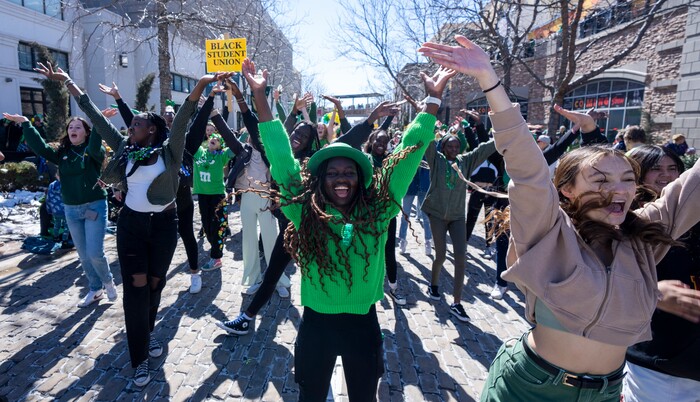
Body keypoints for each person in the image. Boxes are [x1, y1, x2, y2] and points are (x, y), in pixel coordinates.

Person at [418, 35, 700, 401]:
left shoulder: (644, 233)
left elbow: (691, 187)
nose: (619, 190)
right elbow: (526, 166)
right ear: (566, 190)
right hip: (530, 387)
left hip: (607, 392)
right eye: (600, 180)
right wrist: (489, 79)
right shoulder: (548, 230)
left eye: (628, 180)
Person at [232, 57, 452, 401]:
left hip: (363, 326)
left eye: (348, 171)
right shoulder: (303, 211)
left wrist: (432, 103)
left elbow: (407, 157)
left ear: (360, 177)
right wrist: (260, 96)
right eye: (332, 173)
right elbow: (280, 155)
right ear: (320, 179)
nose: (341, 179)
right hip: (316, 326)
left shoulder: (378, 211)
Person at [36, 62, 227, 387]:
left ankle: (147, 331)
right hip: (132, 228)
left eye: (135, 124)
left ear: (151, 129)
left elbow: (183, 117)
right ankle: (138, 356)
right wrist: (68, 82)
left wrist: (202, 86)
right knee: (135, 288)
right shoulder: (125, 149)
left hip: (165, 226)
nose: (129, 128)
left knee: (155, 285)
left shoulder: (170, 150)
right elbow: (95, 117)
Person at [3, 110, 116, 308]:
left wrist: (98, 122)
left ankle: (107, 281)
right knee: (83, 253)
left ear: (86, 133)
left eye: (78, 127)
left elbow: (96, 142)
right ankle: (95, 288)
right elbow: (40, 147)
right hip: (71, 210)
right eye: (70, 127)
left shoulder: (93, 152)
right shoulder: (62, 154)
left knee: (95, 252)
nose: (73, 129)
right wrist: (25, 124)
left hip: (94, 206)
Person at [98, 81, 202, 294]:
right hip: (147, 211)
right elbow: (132, 123)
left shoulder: (181, 143)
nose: (169, 117)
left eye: (173, 115)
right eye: (166, 115)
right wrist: (118, 98)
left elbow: (195, 123)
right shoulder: (147, 146)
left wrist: (207, 100)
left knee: (188, 235)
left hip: (178, 202)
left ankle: (194, 272)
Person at [624, 145, 700, 401]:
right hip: (657, 361)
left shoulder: (693, 212)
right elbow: (602, 281)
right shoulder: (631, 219)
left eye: (673, 168)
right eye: (656, 169)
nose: (666, 175)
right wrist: (653, 292)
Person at [421, 111, 496, 322]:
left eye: (456, 146)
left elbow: (486, 147)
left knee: (461, 258)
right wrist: (428, 117)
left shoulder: (466, 161)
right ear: (443, 147)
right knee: (441, 256)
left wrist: (504, 126)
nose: (453, 149)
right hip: (436, 214)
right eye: (449, 146)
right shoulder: (436, 160)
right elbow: (427, 140)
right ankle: (434, 285)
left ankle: (456, 302)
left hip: (457, 217)